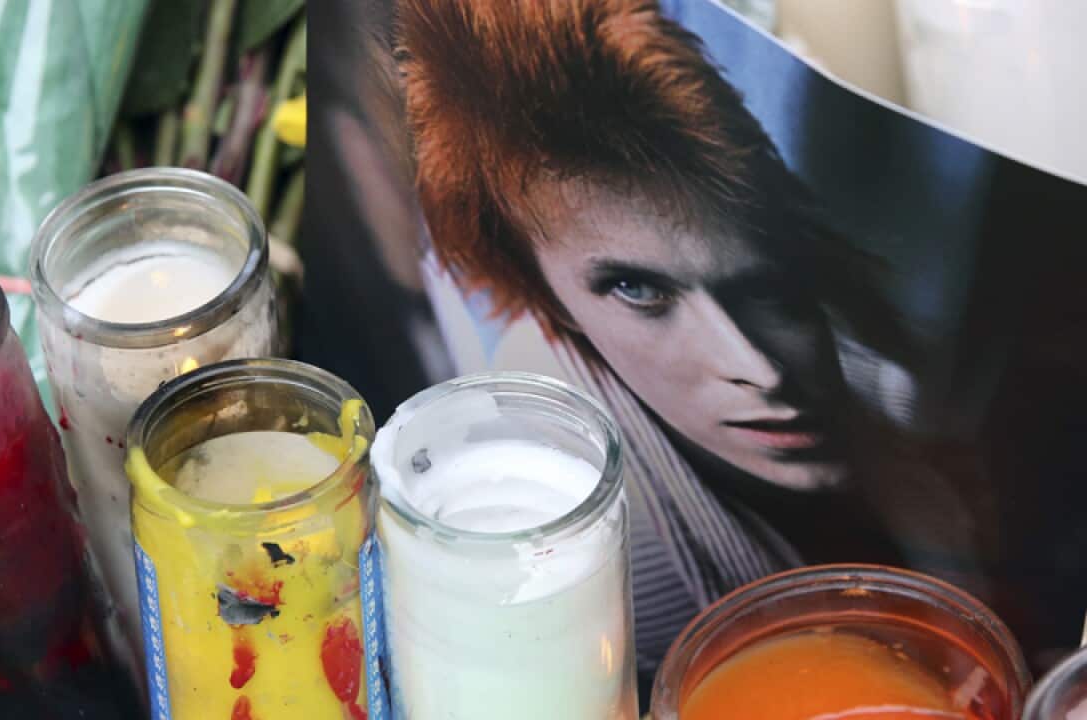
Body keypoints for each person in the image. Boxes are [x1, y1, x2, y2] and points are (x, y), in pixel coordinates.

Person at [394, 0, 985, 674]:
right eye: (638, 289)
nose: (758, 367)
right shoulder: (599, 573)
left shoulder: (902, 411)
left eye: (761, 285)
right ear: (553, 306)